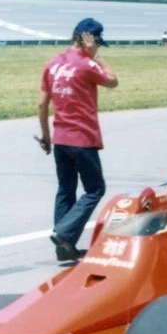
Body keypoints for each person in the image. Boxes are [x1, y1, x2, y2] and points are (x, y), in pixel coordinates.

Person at [37, 17, 118, 262]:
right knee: (95, 189)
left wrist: (46, 136)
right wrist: (95, 56)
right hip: (82, 138)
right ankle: (64, 233)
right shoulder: (87, 65)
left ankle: (64, 247)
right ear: (88, 39)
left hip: (60, 138)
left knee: (66, 189)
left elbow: (42, 103)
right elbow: (113, 81)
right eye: (97, 43)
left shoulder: (52, 64)